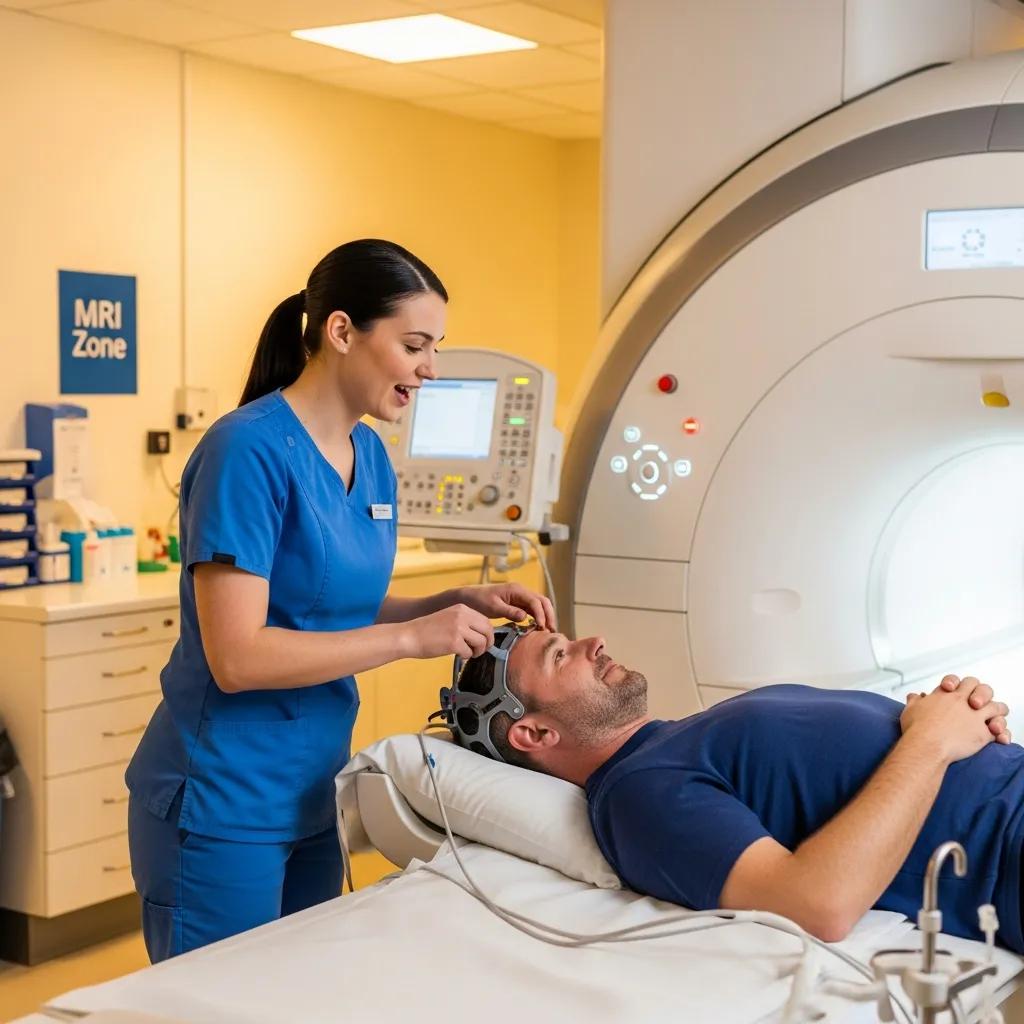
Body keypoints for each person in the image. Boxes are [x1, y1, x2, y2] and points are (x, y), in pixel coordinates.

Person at [126, 240, 555, 962]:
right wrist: (411, 640)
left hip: (313, 790)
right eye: (415, 345)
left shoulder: (371, 458)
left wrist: (448, 602)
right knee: (218, 1006)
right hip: (224, 798)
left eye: (435, 348)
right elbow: (238, 655)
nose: (430, 369)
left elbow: (330, 602)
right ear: (342, 331)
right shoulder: (247, 452)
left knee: (301, 994)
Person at [445, 623, 1024, 951]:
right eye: (560, 655)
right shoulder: (636, 794)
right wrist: (930, 743)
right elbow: (818, 904)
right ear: (535, 732)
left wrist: (946, 718)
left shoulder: (673, 740)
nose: (591, 642)